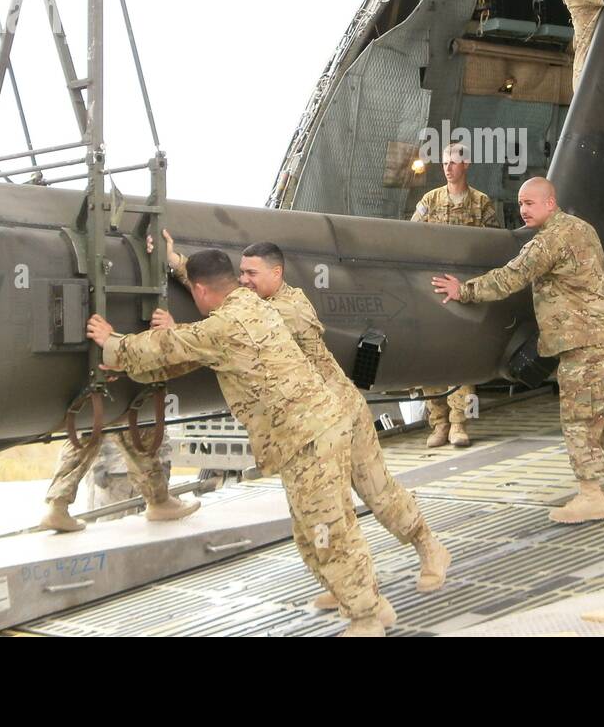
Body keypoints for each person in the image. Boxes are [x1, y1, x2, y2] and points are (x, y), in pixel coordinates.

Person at [88, 249, 392, 636]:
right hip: (317, 431)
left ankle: (366, 619)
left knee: (326, 530)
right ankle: (366, 600)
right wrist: (176, 269)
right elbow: (190, 353)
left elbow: (166, 348)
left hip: (308, 438)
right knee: (320, 528)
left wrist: (111, 341)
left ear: (200, 290)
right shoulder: (251, 302)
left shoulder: (223, 326)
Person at [157, 234, 451, 608]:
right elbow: (224, 294)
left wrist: (176, 331)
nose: (244, 280)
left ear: (277, 273)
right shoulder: (255, 303)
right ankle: (351, 588)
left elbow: (231, 323)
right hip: (311, 423)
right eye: (241, 273)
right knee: (328, 510)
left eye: (252, 273)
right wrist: (178, 264)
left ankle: (430, 548)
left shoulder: (287, 307)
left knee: (377, 492)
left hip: (340, 411)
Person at [432, 177, 604, 523]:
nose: (522, 209)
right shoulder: (581, 228)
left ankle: (591, 495)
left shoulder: (549, 240)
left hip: (584, 341)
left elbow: (509, 278)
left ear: (550, 203)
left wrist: (464, 291)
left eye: (530, 203)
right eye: (520, 203)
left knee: (580, 416)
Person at [412, 142, 500, 448]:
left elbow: (493, 246)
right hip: (432, 290)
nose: (448, 167)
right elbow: (410, 238)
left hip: (466, 291)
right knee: (431, 357)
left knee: (462, 357)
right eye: (445, 162)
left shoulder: (482, 203)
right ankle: (438, 423)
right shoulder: (430, 200)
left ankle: (459, 424)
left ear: (467, 164)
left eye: (454, 161)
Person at [39, 428, 196, 533]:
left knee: (88, 426)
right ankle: (159, 502)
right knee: (135, 423)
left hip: (108, 468)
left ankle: (57, 506)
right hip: (111, 474)